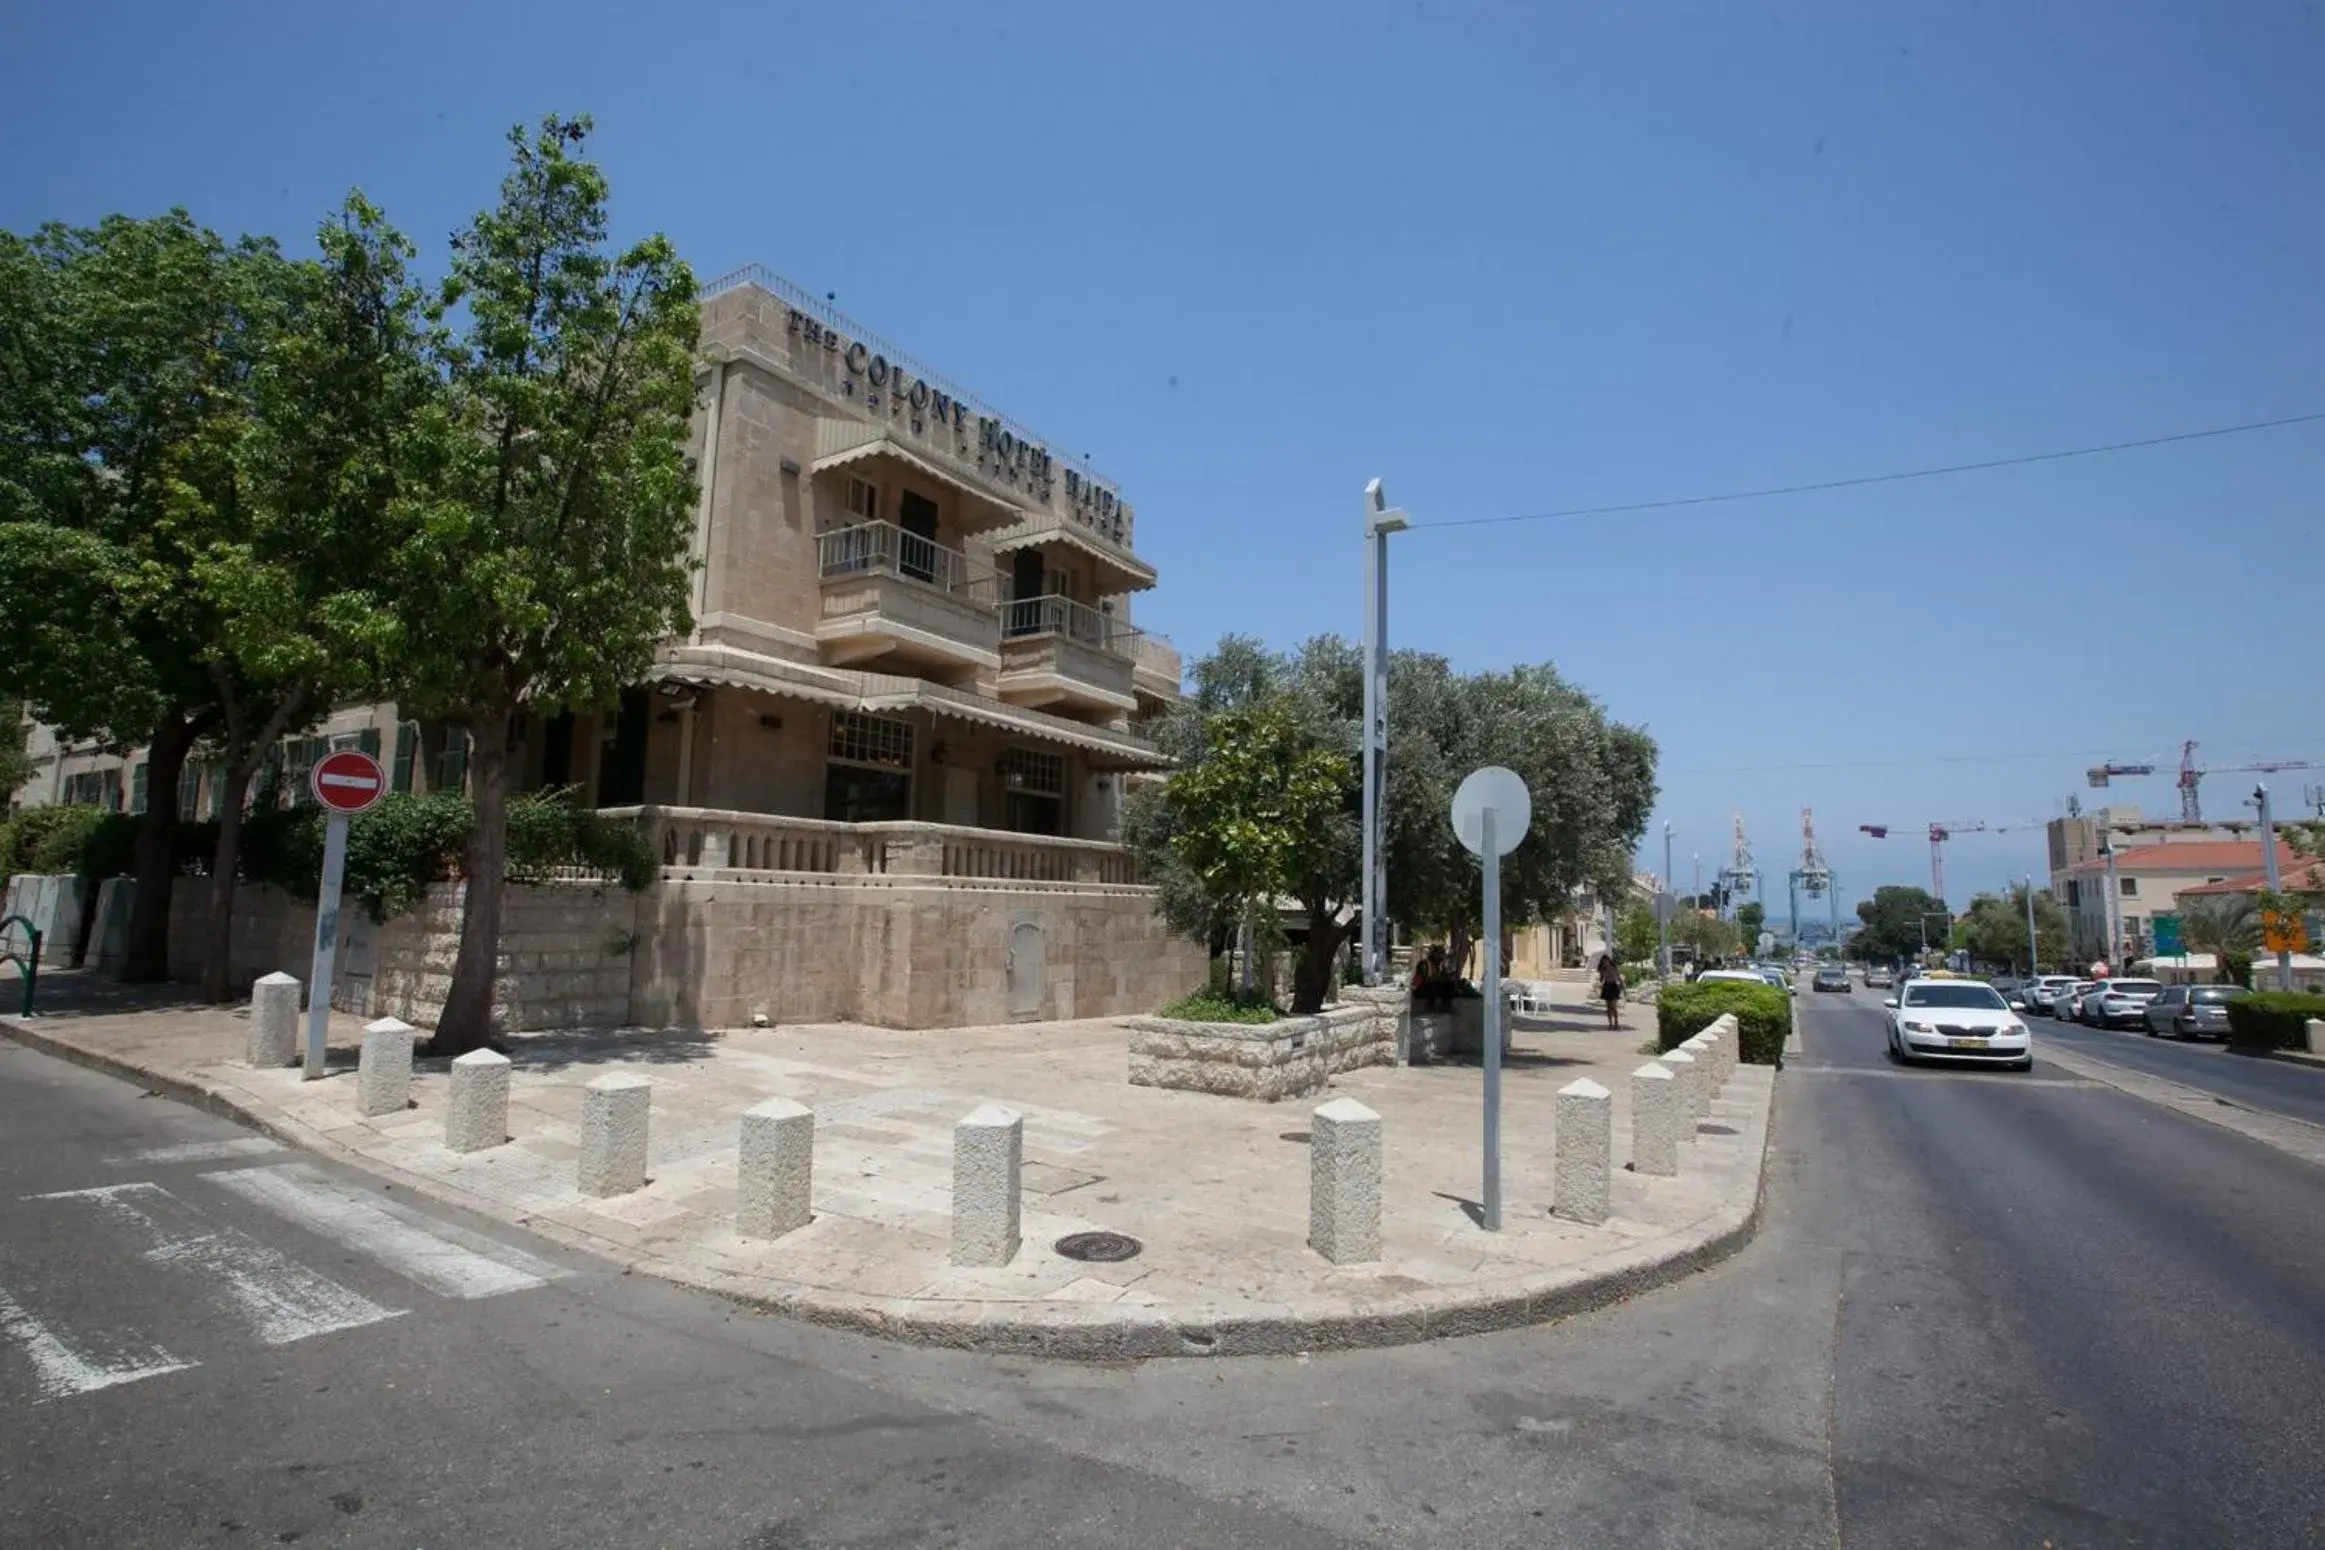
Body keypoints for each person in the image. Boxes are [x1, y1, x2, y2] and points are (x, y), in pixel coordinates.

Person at [1597, 952, 1623, 1029]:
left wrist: (1622, 987)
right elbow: (1601, 980)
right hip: (1607, 986)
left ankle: (1616, 1023)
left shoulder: (1614, 968)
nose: (1605, 963)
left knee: (1614, 1007)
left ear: (1609, 960)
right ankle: (1610, 1024)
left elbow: (1619, 978)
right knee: (1608, 1007)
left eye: (1606, 961)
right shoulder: (1603, 970)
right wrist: (1601, 974)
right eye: (1603, 961)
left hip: (1614, 986)